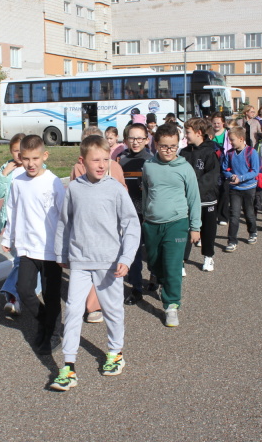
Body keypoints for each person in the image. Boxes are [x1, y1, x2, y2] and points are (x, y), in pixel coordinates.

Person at [51, 135, 141, 391]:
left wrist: (126, 258)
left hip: (109, 262)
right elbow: (64, 223)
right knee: (73, 311)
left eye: (106, 159)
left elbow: (131, 225)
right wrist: (61, 254)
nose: (102, 165)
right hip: (79, 261)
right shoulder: (75, 188)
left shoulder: (115, 189)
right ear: (82, 161)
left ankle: (115, 353)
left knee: (113, 310)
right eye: (96, 160)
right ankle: (68, 367)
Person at [1, 135, 65, 355]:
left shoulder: (54, 181)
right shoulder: (18, 181)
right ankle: (46, 322)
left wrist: (64, 247)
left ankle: (54, 333)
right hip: (27, 247)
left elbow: (65, 215)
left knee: (51, 295)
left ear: (44, 155)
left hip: (50, 250)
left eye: (35, 158)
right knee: (24, 290)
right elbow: (12, 210)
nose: (31, 163)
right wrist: (8, 238)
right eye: (26, 158)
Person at [142, 123, 201, 327]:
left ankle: (172, 304)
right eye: (164, 146)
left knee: (173, 264)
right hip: (152, 224)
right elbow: (146, 193)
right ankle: (160, 278)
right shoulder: (149, 166)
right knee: (154, 262)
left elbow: (194, 198)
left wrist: (195, 227)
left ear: (178, 145)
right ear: (156, 144)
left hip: (177, 223)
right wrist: (144, 217)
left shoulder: (185, 168)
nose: (168, 151)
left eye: (173, 146)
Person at [69, 127, 126, 323]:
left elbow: (122, 191)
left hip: (109, 226)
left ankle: (96, 305)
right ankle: (91, 304)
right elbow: (75, 195)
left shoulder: (115, 167)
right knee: (88, 264)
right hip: (86, 227)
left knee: (103, 268)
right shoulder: (77, 169)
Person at [118, 123, 154, 305]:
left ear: (147, 140)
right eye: (132, 138)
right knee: (133, 252)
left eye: (140, 138)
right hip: (128, 213)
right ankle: (136, 288)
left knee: (153, 252)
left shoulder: (152, 160)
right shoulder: (119, 159)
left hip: (148, 212)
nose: (135, 142)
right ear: (125, 140)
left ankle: (155, 276)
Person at [180, 118, 220, 273]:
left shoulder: (210, 152)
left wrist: (195, 191)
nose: (186, 135)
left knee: (208, 230)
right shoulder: (184, 152)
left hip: (206, 199)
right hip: (187, 200)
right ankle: (182, 261)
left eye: (188, 132)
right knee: (185, 230)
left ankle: (208, 256)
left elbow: (212, 175)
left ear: (198, 133)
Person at [0, 133, 26, 316]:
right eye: (16, 151)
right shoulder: (8, 168)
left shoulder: (38, 166)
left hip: (31, 223)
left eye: (23, 150)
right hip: (12, 223)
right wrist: (5, 173)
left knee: (22, 261)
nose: (20, 155)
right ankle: (15, 296)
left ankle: (14, 296)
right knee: (20, 260)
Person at [221, 128, 260, 252]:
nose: (230, 142)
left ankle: (253, 232)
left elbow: (255, 171)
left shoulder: (251, 152)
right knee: (234, 215)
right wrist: (231, 176)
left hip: (249, 188)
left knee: (249, 212)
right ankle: (232, 241)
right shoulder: (230, 153)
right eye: (229, 140)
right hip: (234, 189)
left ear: (241, 139)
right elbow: (224, 169)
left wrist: (241, 178)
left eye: (232, 140)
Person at [209, 114, 232, 226]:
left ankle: (223, 216)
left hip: (225, 164)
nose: (216, 125)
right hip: (213, 165)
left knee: (224, 190)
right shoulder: (209, 134)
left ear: (223, 123)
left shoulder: (228, 134)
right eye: (214, 123)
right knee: (214, 190)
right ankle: (214, 214)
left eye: (218, 122)